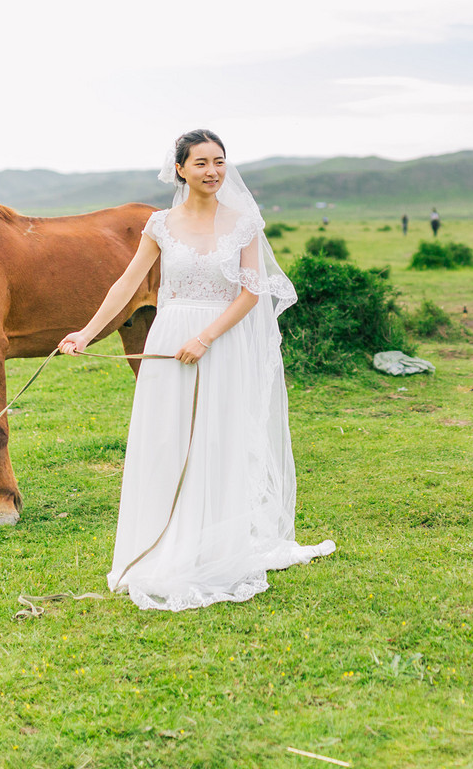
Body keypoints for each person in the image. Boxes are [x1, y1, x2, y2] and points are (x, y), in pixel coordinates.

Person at [59, 129, 335, 611]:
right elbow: (126, 284)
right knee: (167, 437)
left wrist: (206, 338)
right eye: (201, 162)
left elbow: (251, 292)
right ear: (180, 169)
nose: (212, 171)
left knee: (216, 439)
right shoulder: (160, 225)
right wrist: (85, 333)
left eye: (219, 161)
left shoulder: (244, 222)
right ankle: (164, 545)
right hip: (170, 338)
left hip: (219, 342)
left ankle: (216, 548)